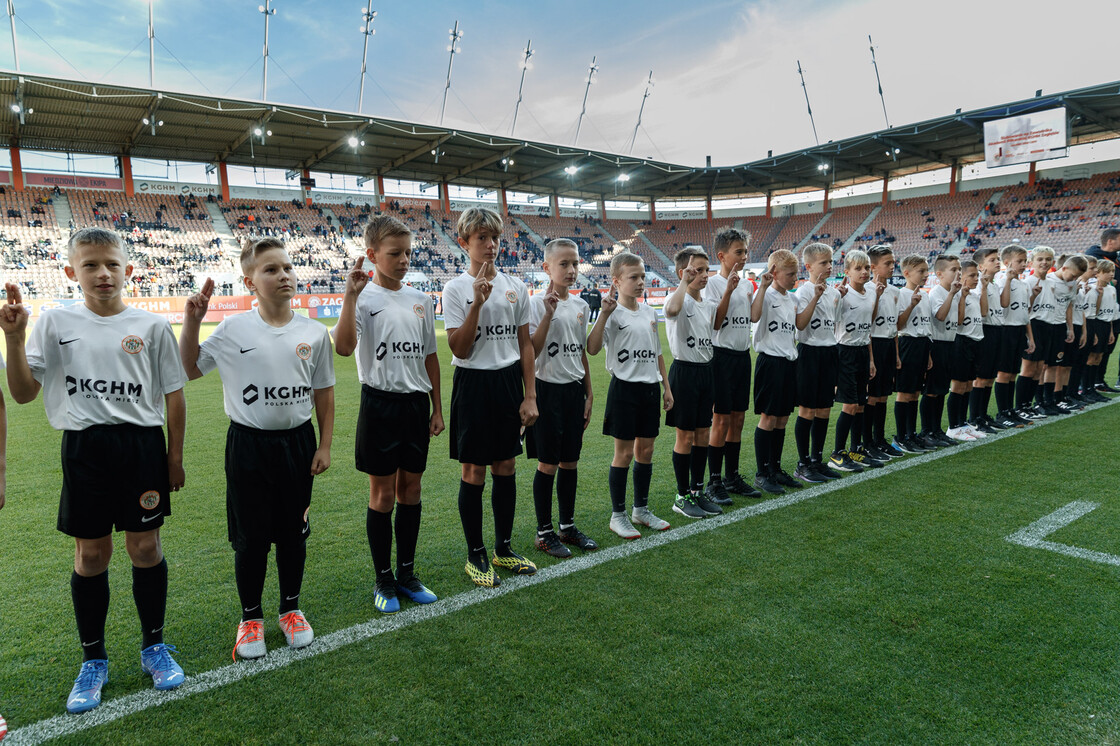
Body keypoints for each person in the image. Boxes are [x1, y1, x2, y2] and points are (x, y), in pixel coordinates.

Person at [1, 227, 187, 713]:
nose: (103, 273)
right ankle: (94, 660)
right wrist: (15, 339)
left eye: (111, 264)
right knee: (91, 555)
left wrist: (174, 458)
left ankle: (153, 647)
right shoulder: (54, 322)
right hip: (85, 449)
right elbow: (22, 393)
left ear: (129, 267)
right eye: (90, 265)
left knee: (145, 545)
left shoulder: (151, 326)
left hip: (142, 447)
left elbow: (174, 393)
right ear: (70, 272)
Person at [180, 237, 334, 657]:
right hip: (248, 445)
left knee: (293, 534)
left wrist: (325, 445)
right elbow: (189, 369)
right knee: (250, 539)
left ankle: (290, 610)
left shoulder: (313, 332)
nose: (283, 274)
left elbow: (324, 391)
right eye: (270, 269)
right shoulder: (233, 329)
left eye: (287, 267)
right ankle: (250, 619)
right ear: (250, 281)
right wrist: (193, 322)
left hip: (298, 445)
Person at [333, 215, 443, 613]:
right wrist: (349, 297)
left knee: (411, 491)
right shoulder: (363, 299)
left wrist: (437, 408)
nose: (403, 260)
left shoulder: (422, 300)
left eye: (408, 253)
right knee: (382, 495)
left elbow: (430, 355)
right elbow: (344, 348)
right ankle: (383, 579)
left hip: (416, 406)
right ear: (372, 254)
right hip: (379, 404)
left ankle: (407, 574)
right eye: (394, 253)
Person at [444, 207, 538, 587]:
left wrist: (530, 395)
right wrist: (477, 303)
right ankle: (475, 553)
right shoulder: (454, 289)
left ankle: (503, 548)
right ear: (464, 242)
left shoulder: (515, 285)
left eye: (494, 237)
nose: (490, 245)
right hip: (472, 385)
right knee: (474, 470)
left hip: (507, 384)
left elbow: (525, 344)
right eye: (481, 238)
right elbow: (460, 348)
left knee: (507, 467)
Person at [587, 252, 673, 539]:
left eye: (642, 277)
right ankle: (618, 515)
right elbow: (594, 348)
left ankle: (641, 510)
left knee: (645, 452)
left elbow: (658, 352)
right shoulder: (612, 313)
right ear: (617, 281)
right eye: (633, 277)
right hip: (624, 389)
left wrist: (666, 387)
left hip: (650, 389)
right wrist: (604, 314)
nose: (640, 282)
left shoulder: (649, 312)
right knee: (623, 454)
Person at [525, 239, 597, 557]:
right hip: (546, 390)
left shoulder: (581, 307)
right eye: (564, 264)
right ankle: (544, 532)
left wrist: (589, 393)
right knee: (548, 463)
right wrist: (548, 314)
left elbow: (580, 352)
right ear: (547, 268)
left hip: (573, 390)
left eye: (575, 264)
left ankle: (567, 527)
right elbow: (531, 351)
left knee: (570, 461)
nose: (571, 270)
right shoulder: (534, 303)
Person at [664, 247, 725, 519]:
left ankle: (698, 491)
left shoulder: (708, 304)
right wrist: (683, 283)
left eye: (705, 269)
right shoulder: (677, 298)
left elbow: (717, 325)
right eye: (696, 270)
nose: (703, 275)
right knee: (685, 436)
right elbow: (672, 310)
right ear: (683, 272)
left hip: (706, 372)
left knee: (702, 434)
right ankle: (681, 495)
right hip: (684, 372)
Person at [701, 228, 760, 500]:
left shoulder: (747, 284)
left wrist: (759, 288)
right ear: (721, 255)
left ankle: (732, 476)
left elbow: (753, 318)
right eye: (739, 252)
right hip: (721, 357)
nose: (744, 256)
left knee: (738, 419)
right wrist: (728, 290)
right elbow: (717, 321)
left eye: (746, 251)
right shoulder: (711, 284)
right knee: (721, 419)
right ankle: (714, 481)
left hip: (741, 356)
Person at [749, 249, 800, 494]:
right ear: (774, 273)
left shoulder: (792, 299)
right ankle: (762, 473)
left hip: (788, 362)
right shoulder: (765, 295)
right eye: (790, 274)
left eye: (796, 274)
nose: (794, 278)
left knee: (782, 418)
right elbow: (754, 316)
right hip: (770, 362)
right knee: (768, 418)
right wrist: (763, 287)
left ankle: (775, 469)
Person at [829, 250, 884, 470]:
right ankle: (837, 453)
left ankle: (856, 449)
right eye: (858, 268)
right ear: (847, 271)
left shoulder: (870, 294)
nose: (863, 272)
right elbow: (831, 322)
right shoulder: (842, 294)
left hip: (862, 351)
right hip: (845, 351)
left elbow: (868, 326)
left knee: (861, 404)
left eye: (867, 268)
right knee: (850, 405)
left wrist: (871, 359)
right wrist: (837, 300)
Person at [792, 243, 842, 481]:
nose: (829, 266)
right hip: (809, 353)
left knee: (824, 409)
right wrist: (816, 296)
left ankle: (817, 460)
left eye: (830, 262)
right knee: (808, 409)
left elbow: (835, 325)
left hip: (829, 352)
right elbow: (800, 325)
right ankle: (802, 464)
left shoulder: (834, 293)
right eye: (823, 263)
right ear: (809, 266)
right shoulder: (803, 291)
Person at [893, 255, 938, 453]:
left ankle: (912, 435)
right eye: (921, 271)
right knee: (904, 392)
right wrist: (911, 304)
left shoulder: (926, 295)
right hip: (907, 343)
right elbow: (899, 325)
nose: (926, 275)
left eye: (926, 271)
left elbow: (926, 326)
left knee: (915, 392)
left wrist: (928, 353)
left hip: (922, 344)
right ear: (907, 273)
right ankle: (901, 436)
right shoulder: (901, 294)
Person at [991, 245, 1034, 428]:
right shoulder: (1001, 280)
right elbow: (1003, 303)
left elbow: (1025, 314)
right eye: (1019, 261)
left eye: (1025, 261)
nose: (1023, 264)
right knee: (1003, 373)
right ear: (1007, 263)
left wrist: (1030, 337)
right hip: (1006, 330)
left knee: (1012, 373)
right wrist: (1008, 280)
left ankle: (1010, 410)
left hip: (1019, 331)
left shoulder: (1023, 284)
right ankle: (1002, 413)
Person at [866, 245, 902, 457]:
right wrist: (871, 357)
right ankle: (868, 442)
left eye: (892, 262)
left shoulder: (895, 292)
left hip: (889, 345)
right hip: (874, 345)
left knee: (883, 396)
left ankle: (879, 439)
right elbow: (868, 327)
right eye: (887, 263)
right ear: (873, 267)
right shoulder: (867, 290)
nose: (892, 266)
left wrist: (896, 353)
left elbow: (894, 325)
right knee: (871, 396)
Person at [945, 260, 985, 441]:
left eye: (977, 275)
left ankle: (962, 423)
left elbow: (984, 312)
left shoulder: (975, 295)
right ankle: (953, 426)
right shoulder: (956, 296)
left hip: (976, 342)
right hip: (962, 342)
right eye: (972, 275)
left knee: (969, 384)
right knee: (959, 386)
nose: (976, 278)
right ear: (961, 277)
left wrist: (983, 287)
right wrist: (961, 296)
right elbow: (959, 321)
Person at [924, 254, 962, 446]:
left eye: (959, 269)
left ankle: (937, 429)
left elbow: (960, 319)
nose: (958, 273)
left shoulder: (954, 293)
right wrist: (951, 295)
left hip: (950, 342)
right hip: (937, 344)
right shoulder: (937, 293)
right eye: (953, 270)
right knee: (931, 391)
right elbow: (940, 316)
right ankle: (926, 430)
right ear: (939, 274)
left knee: (941, 391)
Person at [1018, 247, 1054, 417]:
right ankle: (1020, 407)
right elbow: (1025, 310)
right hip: (1032, 326)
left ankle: (1028, 405)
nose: (1044, 262)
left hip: (1047, 327)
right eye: (1040, 259)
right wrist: (1032, 295)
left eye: (1048, 259)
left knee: (1039, 368)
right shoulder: (1028, 282)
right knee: (1028, 369)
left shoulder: (1051, 282)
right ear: (1032, 262)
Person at [1083, 258, 1117, 400]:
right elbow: (1092, 313)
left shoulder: (1112, 289)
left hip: (1105, 325)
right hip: (1095, 324)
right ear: (1098, 273)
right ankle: (1085, 388)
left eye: (1113, 271)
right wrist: (1094, 332)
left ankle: (1093, 387)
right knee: (1091, 357)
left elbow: (1111, 311)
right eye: (1107, 271)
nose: (1111, 274)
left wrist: (1110, 331)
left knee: (1099, 357)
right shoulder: (1092, 289)